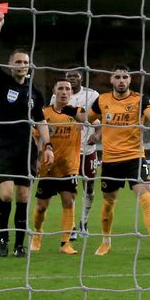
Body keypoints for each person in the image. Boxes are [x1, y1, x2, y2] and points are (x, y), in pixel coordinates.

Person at [0, 10, 54, 258]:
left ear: (29, 65)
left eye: (25, 62)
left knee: (24, 196)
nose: (22, 65)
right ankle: (3, 236)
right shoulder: (2, 82)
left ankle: (19, 243)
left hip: (27, 148)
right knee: (6, 194)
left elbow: (41, 120)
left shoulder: (34, 92)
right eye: (17, 62)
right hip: (5, 145)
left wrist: (47, 146)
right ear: (10, 65)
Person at [86, 64, 150, 257]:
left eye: (125, 77)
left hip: (134, 157)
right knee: (108, 202)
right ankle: (106, 242)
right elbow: (89, 118)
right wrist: (99, 131)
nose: (121, 81)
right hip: (110, 160)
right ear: (111, 80)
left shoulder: (140, 100)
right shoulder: (102, 100)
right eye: (118, 77)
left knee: (145, 195)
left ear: (130, 80)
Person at [31, 78, 90, 255]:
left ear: (72, 93)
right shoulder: (44, 113)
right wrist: (36, 156)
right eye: (61, 89)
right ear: (54, 92)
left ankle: (65, 243)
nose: (64, 92)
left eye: (68, 89)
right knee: (41, 207)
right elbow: (35, 135)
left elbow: (89, 120)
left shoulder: (77, 112)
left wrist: (77, 115)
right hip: (48, 167)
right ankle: (37, 235)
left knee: (69, 202)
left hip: (69, 167)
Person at [50, 69, 100, 240]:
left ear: (81, 78)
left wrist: (97, 134)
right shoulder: (59, 95)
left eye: (75, 76)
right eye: (69, 77)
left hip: (88, 150)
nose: (71, 80)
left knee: (90, 187)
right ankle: (70, 227)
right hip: (68, 151)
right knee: (69, 191)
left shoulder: (92, 95)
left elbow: (102, 118)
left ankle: (83, 222)